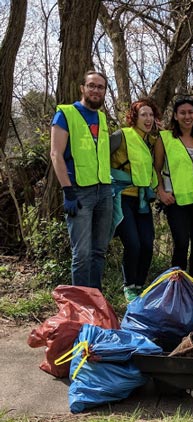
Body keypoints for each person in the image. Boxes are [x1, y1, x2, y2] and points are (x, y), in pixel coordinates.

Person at [50, 70, 112, 291]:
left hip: (104, 191)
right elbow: (56, 154)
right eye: (92, 85)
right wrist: (68, 191)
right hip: (78, 191)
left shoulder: (102, 117)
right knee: (82, 253)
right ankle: (80, 303)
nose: (96, 90)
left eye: (101, 87)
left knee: (98, 251)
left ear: (105, 91)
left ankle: (95, 298)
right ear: (82, 88)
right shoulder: (65, 114)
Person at [110, 98, 161, 301]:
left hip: (141, 200)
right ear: (134, 117)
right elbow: (101, 158)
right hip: (122, 198)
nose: (148, 119)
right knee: (133, 244)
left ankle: (140, 286)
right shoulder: (121, 135)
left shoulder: (151, 141)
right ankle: (129, 286)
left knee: (147, 244)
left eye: (151, 115)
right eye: (143, 115)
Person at [154, 97, 193, 279]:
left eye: (190, 112)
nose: (187, 116)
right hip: (176, 200)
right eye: (183, 113)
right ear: (176, 116)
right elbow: (155, 168)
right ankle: (176, 285)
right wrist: (161, 192)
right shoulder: (165, 138)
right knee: (181, 243)